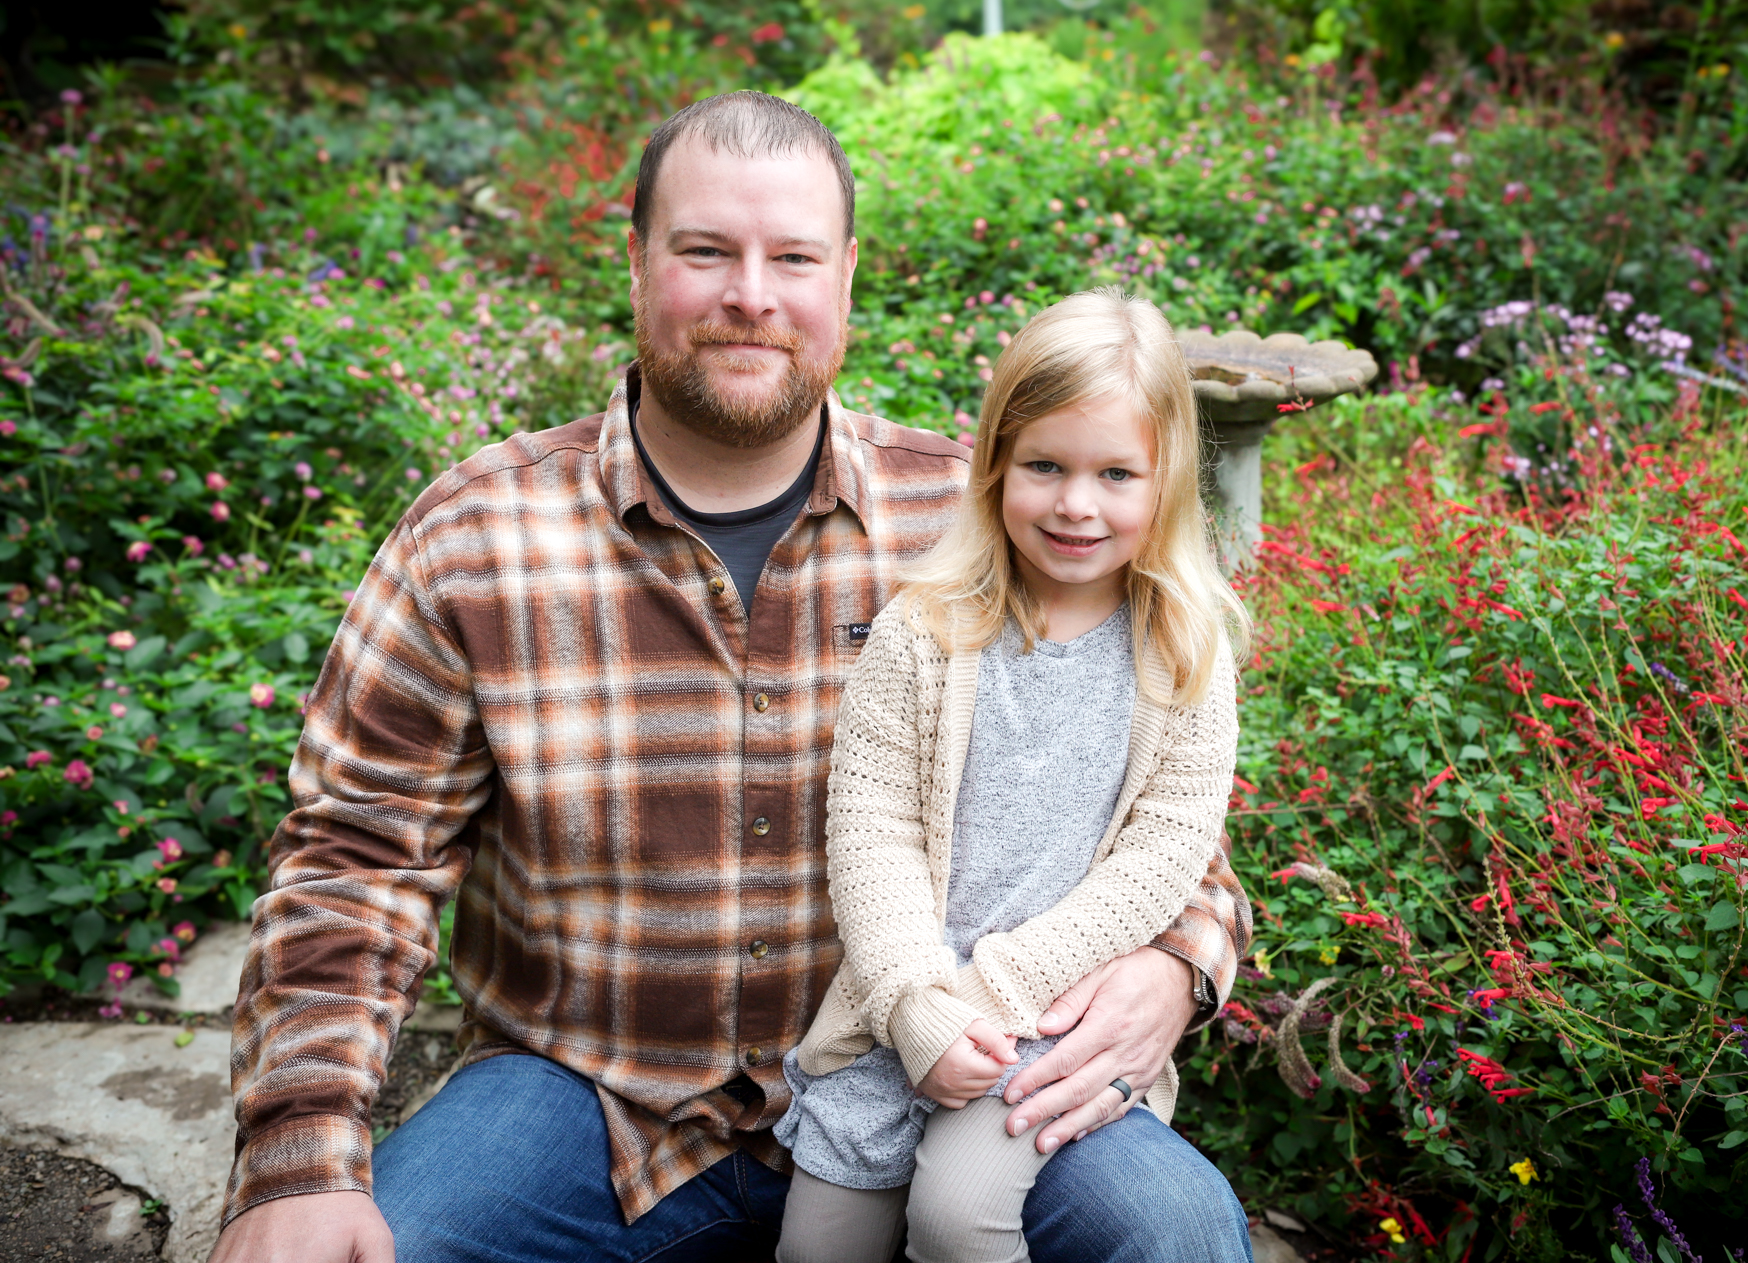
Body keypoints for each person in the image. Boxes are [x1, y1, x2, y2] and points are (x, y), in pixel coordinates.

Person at [208, 90, 1254, 1263]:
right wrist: (296, 1153)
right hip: (593, 1105)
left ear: (843, 277)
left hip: (946, 1068)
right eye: (705, 250)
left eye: (792, 258)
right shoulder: (478, 537)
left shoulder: (984, 523)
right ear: (638, 261)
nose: (751, 295)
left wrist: (1175, 964)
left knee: (1172, 1231)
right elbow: (356, 857)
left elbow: (1162, 814)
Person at [771, 289, 1251, 1263]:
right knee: (816, 1246)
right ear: (994, 463)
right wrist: (917, 1004)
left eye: (1116, 474)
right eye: (1045, 466)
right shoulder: (923, 631)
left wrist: (998, 993)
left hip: (1045, 1026)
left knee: (959, 1216)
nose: (1077, 504)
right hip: (894, 1011)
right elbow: (871, 833)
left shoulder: (1183, 652)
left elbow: (1164, 857)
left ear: (1165, 483)